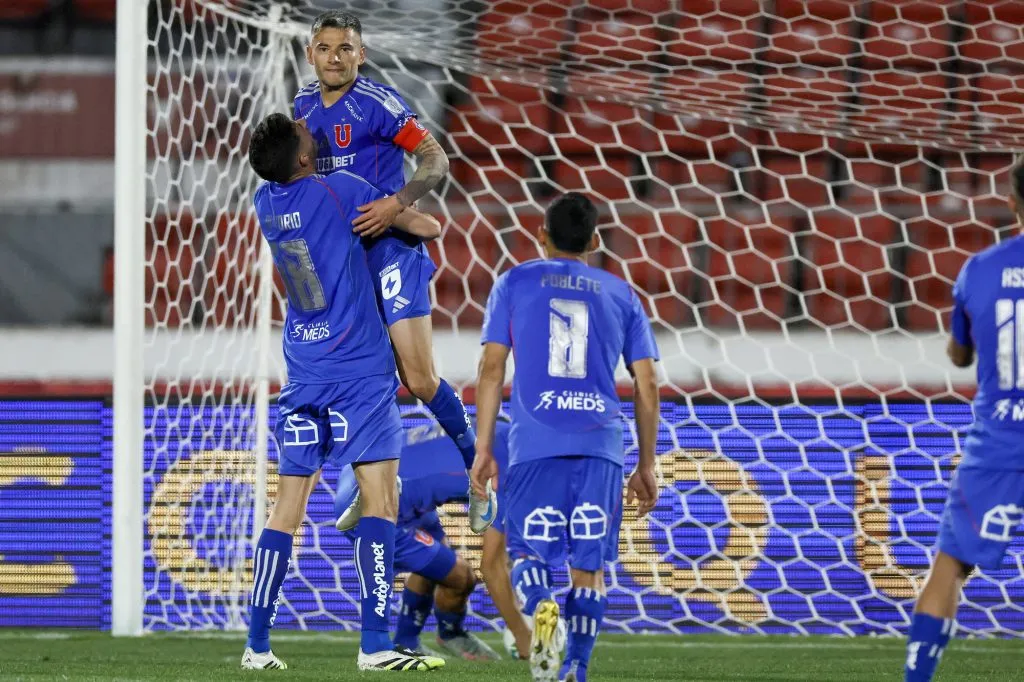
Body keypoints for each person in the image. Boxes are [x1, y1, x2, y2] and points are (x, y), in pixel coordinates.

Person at [241, 112, 444, 672]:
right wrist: (403, 215)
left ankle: (256, 647)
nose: (316, 133)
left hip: (302, 369)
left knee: (286, 511)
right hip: (358, 370)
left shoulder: (265, 202)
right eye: (307, 137)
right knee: (381, 502)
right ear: (305, 158)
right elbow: (427, 229)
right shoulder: (343, 189)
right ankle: (376, 646)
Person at [294, 10, 494, 532]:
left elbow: (436, 162)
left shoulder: (378, 104)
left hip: (392, 251)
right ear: (310, 52)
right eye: (324, 47)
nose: (334, 57)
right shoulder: (301, 107)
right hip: (344, 260)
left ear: (361, 54)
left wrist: (396, 203)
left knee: (420, 377)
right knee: (367, 377)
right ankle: (381, 484)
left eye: (345, 48)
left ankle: (479, 475)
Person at [471, 192, 661, 682]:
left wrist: (485, 448)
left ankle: (539, 608)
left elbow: (492, 369)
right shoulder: (622, 294)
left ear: (540, 234)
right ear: (595, 240)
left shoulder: (513, 282)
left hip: (535, 442)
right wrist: (646, 463)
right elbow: (648, 383)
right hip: (600, 446)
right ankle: (575, 669)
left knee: (526, 553)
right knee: (588, 568)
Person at [904, 159, 1024, 681]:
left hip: (999, 437)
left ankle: (918, 678)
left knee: (950, 561)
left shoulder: (980, 268)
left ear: (1013, 202)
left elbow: (959, 355)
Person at [333, 418, 530, 661]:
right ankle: (451, 633)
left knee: (436, 560)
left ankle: (408, 641)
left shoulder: (498, 432)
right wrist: (524, 637)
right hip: (373, 502)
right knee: (461, 578)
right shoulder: (506, 468)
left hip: (367, 477)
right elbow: (492, 567)